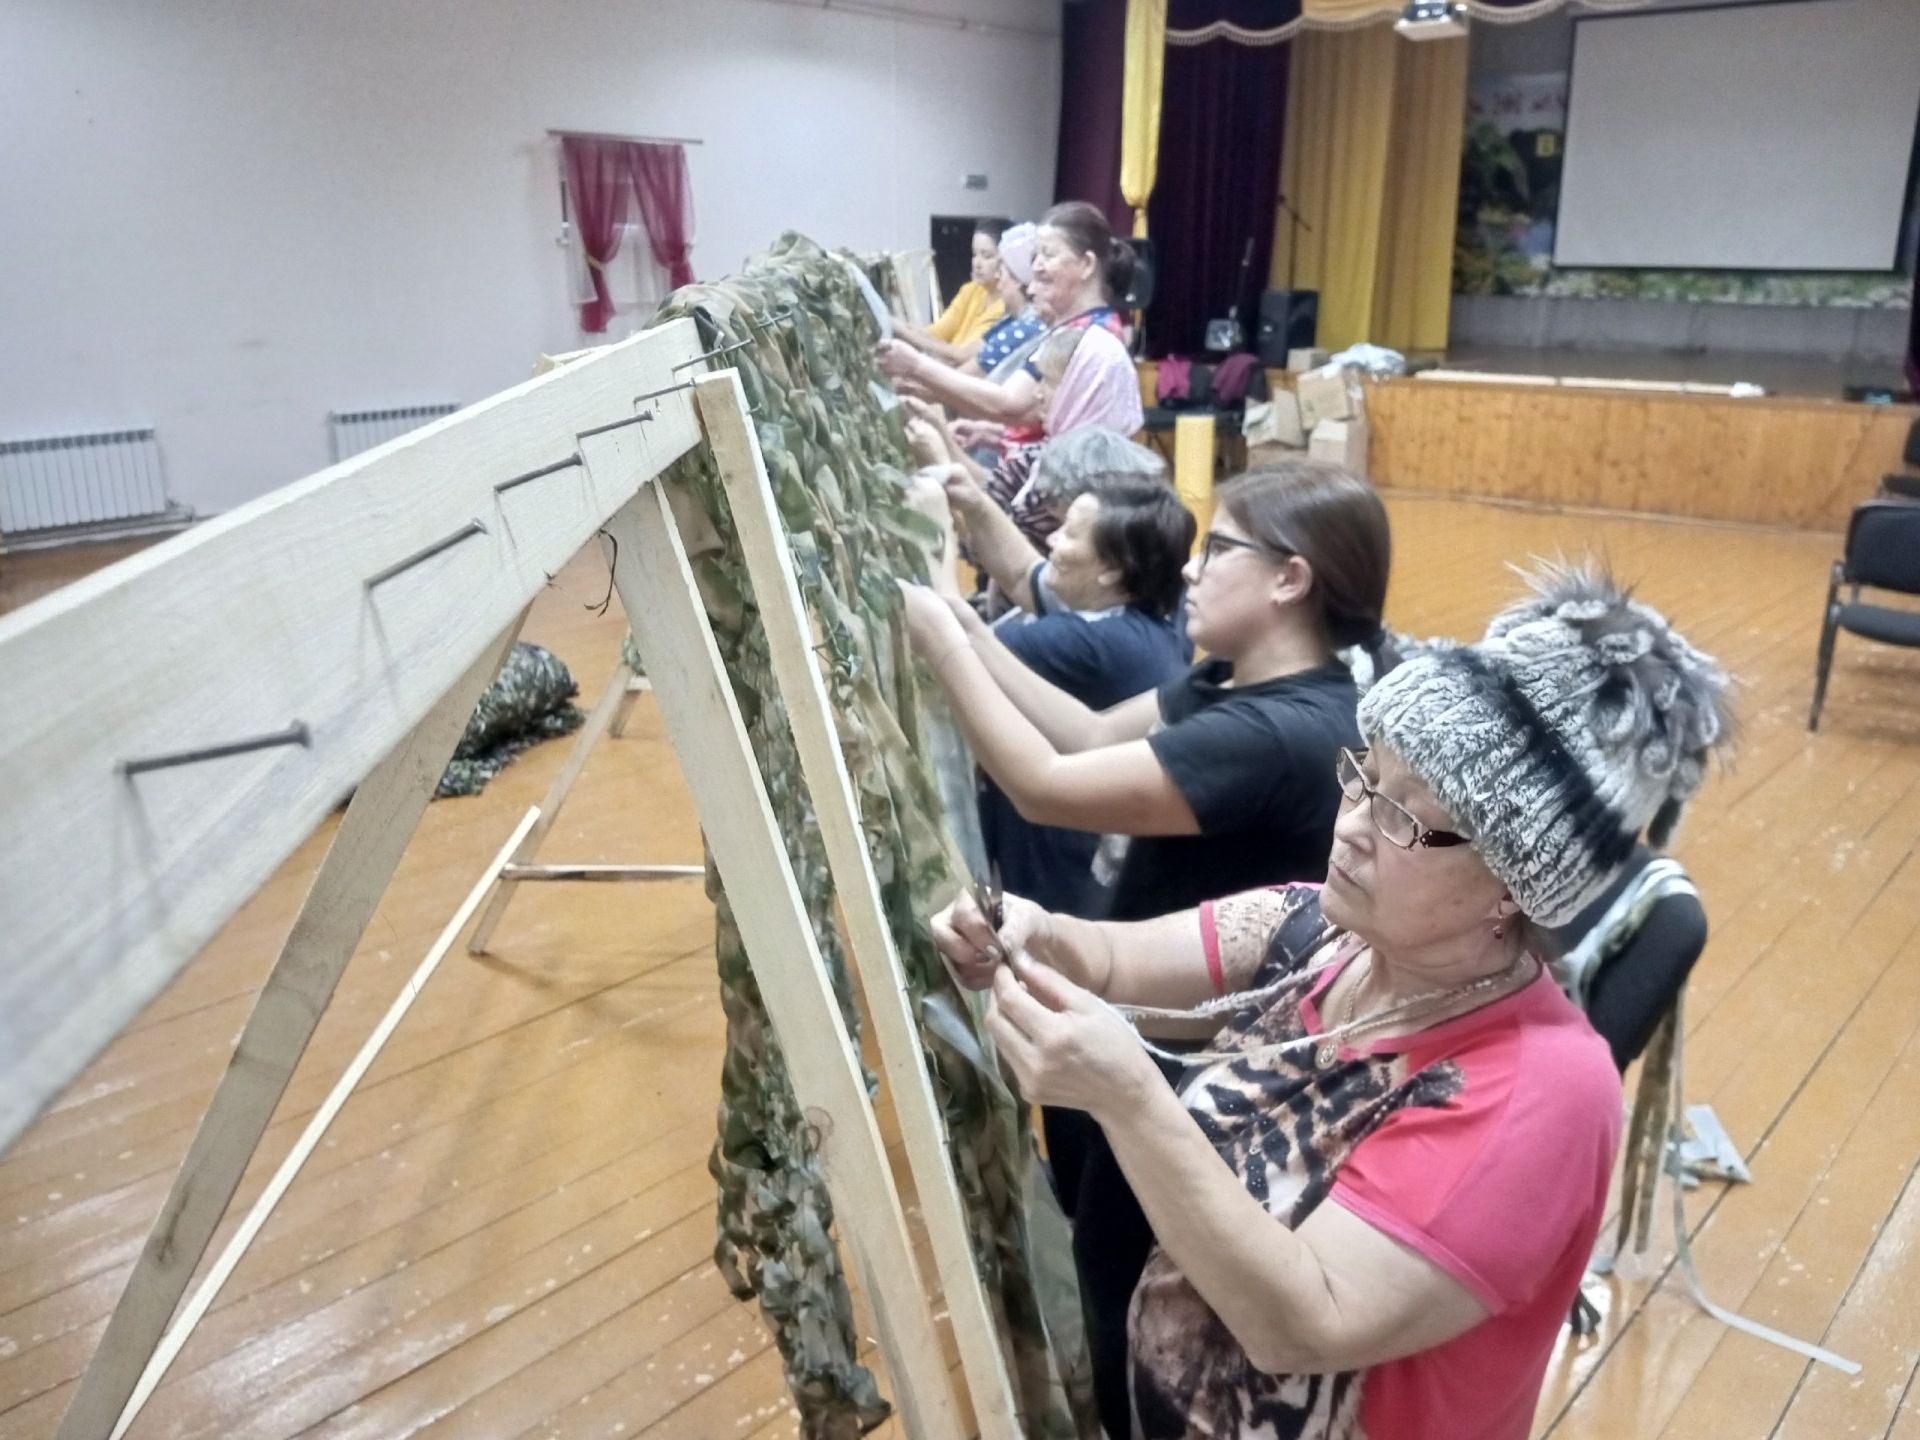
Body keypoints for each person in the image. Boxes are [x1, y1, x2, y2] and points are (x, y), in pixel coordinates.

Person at [931, 561, 1732, 1440]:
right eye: (1365, 775)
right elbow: (1111, 962)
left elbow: (1305, 1321)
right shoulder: (1319, 929)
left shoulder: (1542, 1094)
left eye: (1406, 818)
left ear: (1516, 885)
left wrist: (1128, 1097)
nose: (1352, 821)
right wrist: (1040, 933)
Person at [901, 460, 1392, 1436]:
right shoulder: (1230, 681)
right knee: (1105, 1249)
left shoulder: (1282, 731)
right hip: (1143, 1019)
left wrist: (935, 634)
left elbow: (1042, 781)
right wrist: (960, 624)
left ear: (1290, 579)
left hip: (1195, 1072)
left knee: (1135, 1293)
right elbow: (1083, 737)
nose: (1196, 572)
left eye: (1222, 551)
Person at [971, 481, 1194, 917]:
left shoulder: (1091, 644)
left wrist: (937, 533)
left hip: (1055, 869)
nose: (1052, 539)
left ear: (1110, 570)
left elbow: (961, 645)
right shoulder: (1155, 617)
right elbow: (1022, 574)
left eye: (1069, 534)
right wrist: (974, 501)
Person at [877, 200, 1137, 438]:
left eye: (1048, 255)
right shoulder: (1081, 328)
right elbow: (1027, 414)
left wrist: (915, 366)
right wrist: (995, 433)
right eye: (1036, 257)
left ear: (1087, 265)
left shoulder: (1084, 336)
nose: (1036, 268)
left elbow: (1010, 404)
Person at [892, 219, 1009, 366]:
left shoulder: (1006, 308)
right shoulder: (971, 290)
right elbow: (937, 332)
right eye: (974, 254)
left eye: (986, 256)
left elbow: (961, 355)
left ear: (1005, 261)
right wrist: (904, 330)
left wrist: (899, 328)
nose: (977, 263)